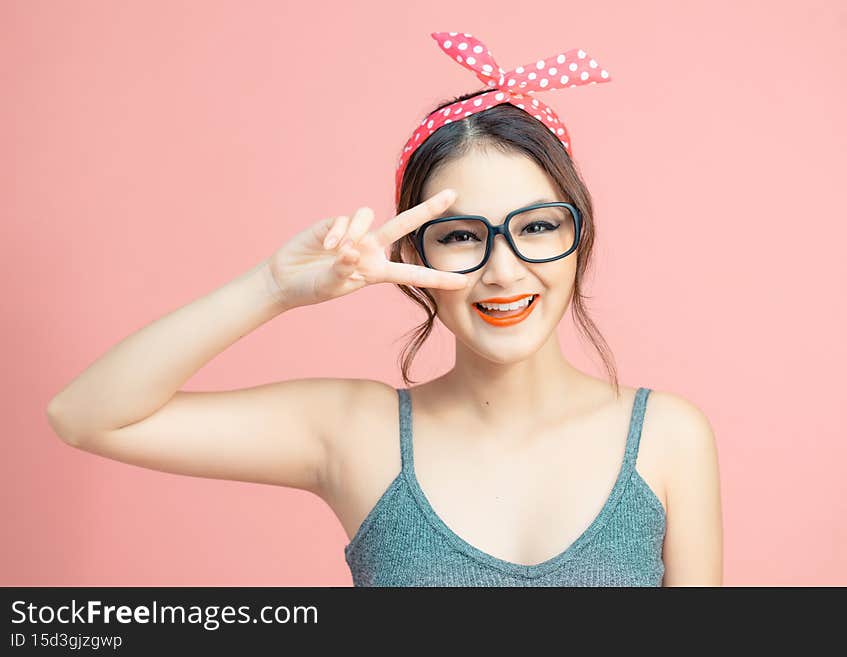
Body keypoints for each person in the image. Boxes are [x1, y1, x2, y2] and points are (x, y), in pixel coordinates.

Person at [46, 31, 723, 586]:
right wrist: (274, 287)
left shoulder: (667, 437)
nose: (503, 269)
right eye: (461, 236)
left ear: (580, 236)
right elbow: (84, 415)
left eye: (538, 226)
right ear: (414, 258)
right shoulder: (354, 432)